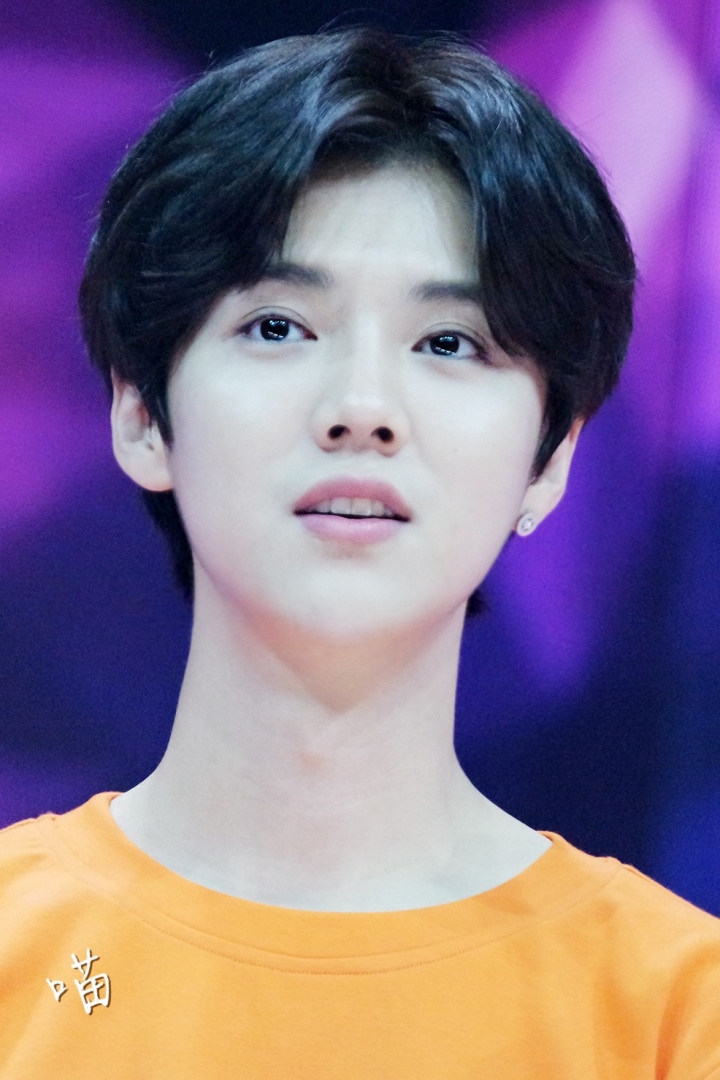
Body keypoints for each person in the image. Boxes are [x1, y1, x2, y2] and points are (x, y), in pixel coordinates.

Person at [1, 27, 719, 1079]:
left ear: (550, 461)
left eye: (449, 343)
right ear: (143, 416)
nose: (362, 407)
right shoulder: (23, 955)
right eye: (279, 326)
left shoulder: (673, 1008)